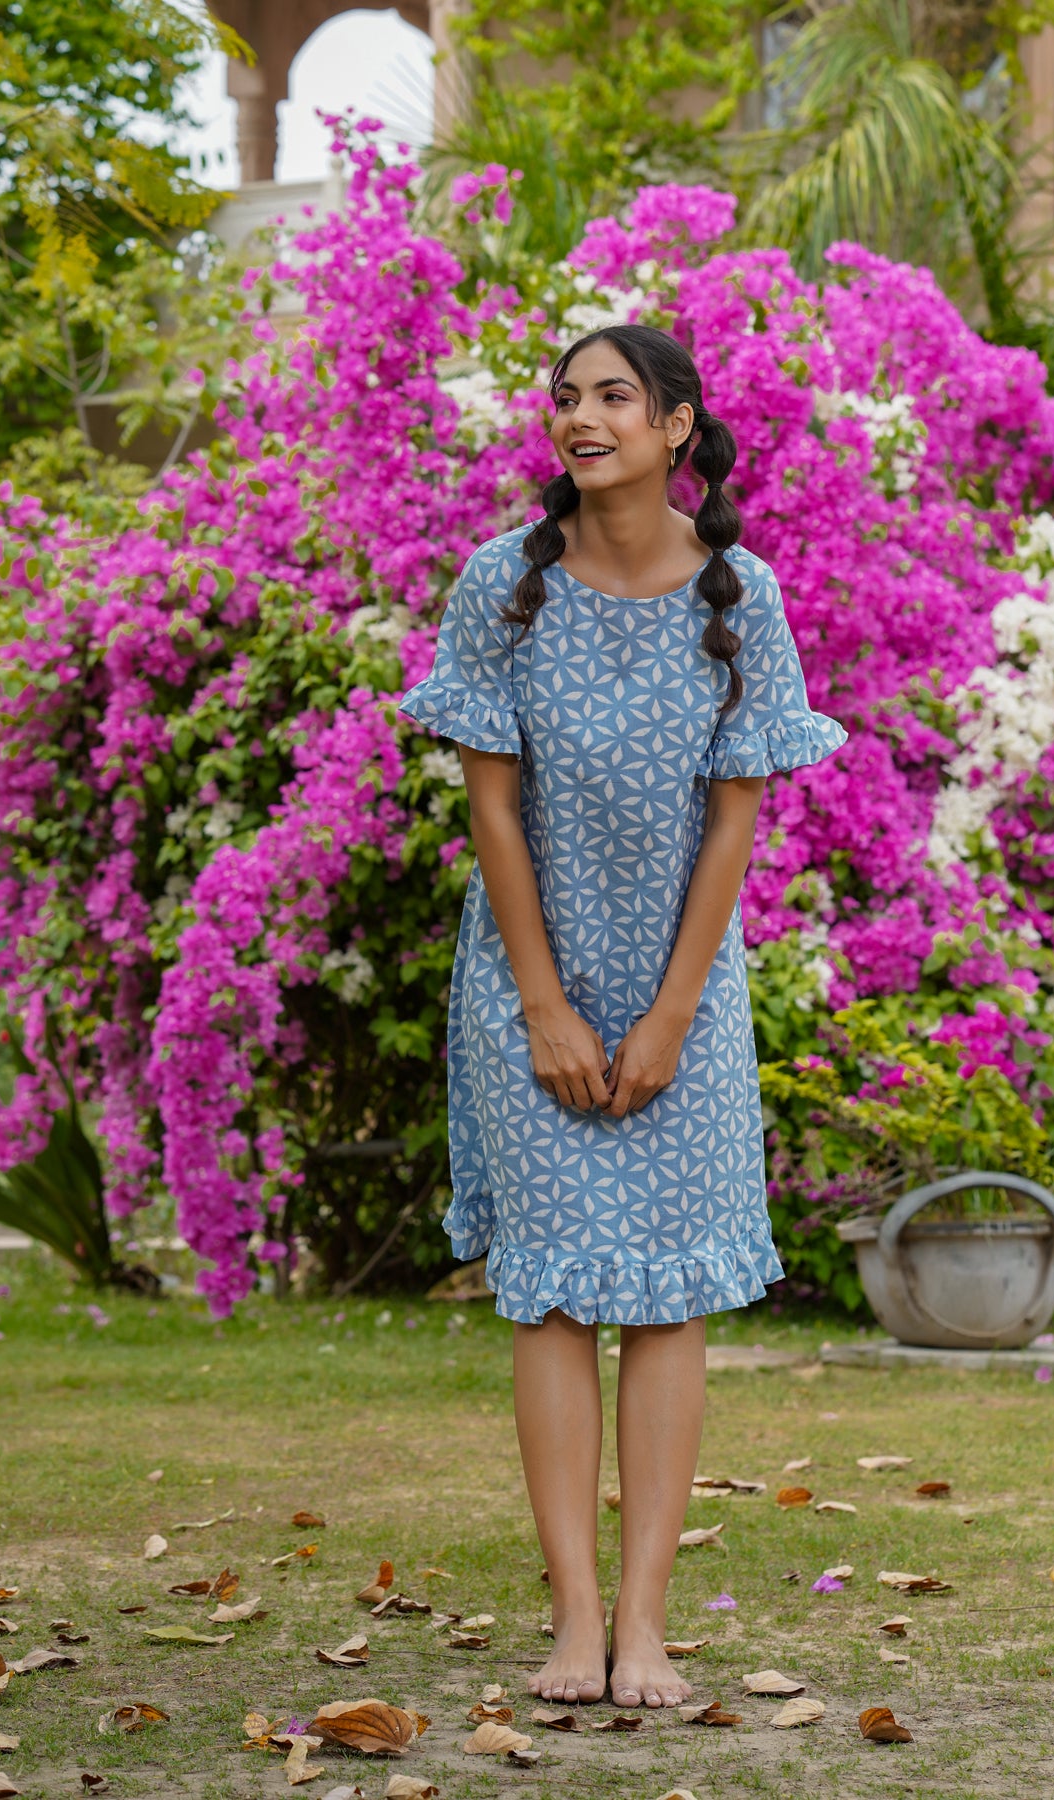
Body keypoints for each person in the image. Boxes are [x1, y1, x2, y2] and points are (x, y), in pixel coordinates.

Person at [397, 323, 848, 1711]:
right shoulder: (501, 587)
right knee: (547, 1298)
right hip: (527, 983)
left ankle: (647, 1627)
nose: (581, 420)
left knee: (666, 1302)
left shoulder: (743, 594)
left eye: (612, 399)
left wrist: (668, 1014)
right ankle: (574, 1626)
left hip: (687, 993)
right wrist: (543, 1004)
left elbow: (734, 831)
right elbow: (491, 813)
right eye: (567, 401)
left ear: (677, 427)